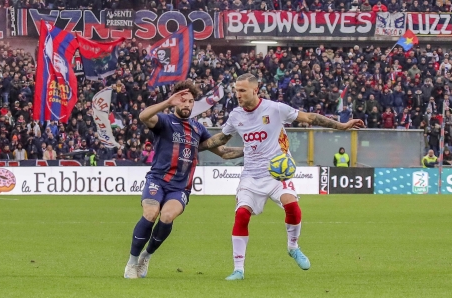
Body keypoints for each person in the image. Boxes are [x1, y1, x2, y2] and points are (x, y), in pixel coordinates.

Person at [198, 74, 365, 281]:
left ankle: (293, 247)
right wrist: (196, 145)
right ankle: (238, 269)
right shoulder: (235, 116)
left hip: (277, 173)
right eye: (236, 90)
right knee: (241, 215)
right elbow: (220, 140)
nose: (237, 94)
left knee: (292, 206)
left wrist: (342, 126)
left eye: (242, 90)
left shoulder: (275, 109)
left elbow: (310, 118)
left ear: (255, 90)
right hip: (251, 175)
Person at [124, 80, 244, 279]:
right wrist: (168, 102)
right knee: (151, 212)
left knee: (167, 216)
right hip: (157, 180)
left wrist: (251, 150)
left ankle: (147, 255)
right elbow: (143, 116)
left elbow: (223, 152)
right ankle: (132, 261)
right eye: (183, 100)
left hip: (180, 187)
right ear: (175, 102)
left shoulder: (197, 129)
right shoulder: (164, 121)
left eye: (190, 101)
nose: (187, 104)